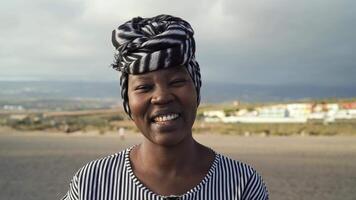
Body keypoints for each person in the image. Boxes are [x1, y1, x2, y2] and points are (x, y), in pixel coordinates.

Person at [62, 14, 269, 200]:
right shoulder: (92, 183)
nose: (161, 97)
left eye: (177, 82)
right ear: (128, 102)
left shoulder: (242, 185)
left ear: (196, 89)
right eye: (144, 86)